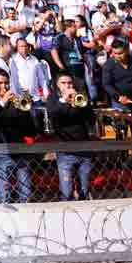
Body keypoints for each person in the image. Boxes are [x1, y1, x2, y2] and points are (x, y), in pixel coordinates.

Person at [0, 68, 36, 204]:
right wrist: (3, 102)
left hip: (19, 149)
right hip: (0, 150)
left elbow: (29, 128)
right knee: (5, 194)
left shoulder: (15, 100)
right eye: (0, 83)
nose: (4, 86)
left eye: (6, 83)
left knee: (26, 193)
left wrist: (24, 110)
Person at [100, 39, 132, 164]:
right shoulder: (109, 65)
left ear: (127, 50)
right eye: (115, 53)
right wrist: (118, 97)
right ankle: (121, 161)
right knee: (121, 132)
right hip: (120, 103)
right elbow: (106, 84)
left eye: (120, 53)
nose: (117, 56)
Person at [48, 72, 95, 200]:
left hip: (84, 148)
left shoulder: (81, 96)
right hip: (65, 149)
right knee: (67, 192)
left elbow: (91, 119)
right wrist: (64, 101)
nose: (67, 86)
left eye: (69, 83)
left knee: (85, 190)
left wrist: (82, 105)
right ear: (57, 85)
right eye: (63, 83)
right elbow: (53, 114)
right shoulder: (53, 99)